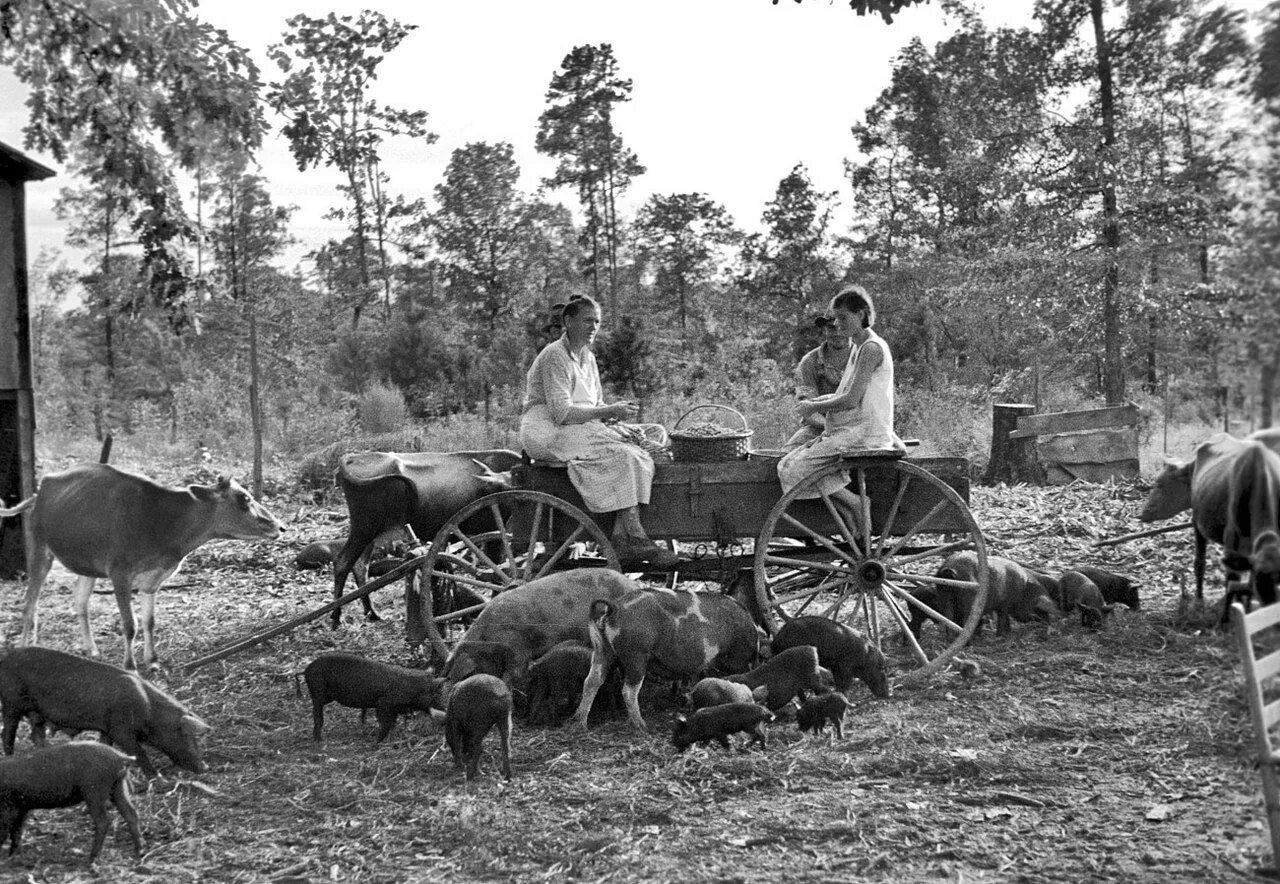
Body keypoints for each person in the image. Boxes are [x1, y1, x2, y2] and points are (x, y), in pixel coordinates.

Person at [520, 295, 679, 568]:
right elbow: (562, 413)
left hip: (581, 426)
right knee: (626, 454)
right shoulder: (554, 356)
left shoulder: (588, 357)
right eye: (587, 320)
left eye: (597, 321)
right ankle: (635, 533)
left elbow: (596, 404)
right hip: (548, 431)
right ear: (568, 322)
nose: (593, 327)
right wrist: (608, 414)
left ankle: (619, 535)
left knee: (646, 440)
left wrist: (617, 420)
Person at [777, 284, 905, 532]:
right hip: (850, 426)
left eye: (844, 318)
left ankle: (856, 503)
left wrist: (814, 405)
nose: (838, 324)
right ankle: (854, 517)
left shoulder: (871, 348)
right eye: (835, 319)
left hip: (864, 432)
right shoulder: (856, 347)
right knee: (787, 463)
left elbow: (850, 400)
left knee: (796, 469)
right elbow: (844, 394)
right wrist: (813, 404)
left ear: (862, 314)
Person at [783, 313, 853, 450]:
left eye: (842, 327)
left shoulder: (865, 356)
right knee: (786, 456)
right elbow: (807, 410)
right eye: (832, 328)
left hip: (858, 425)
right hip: (819, 427)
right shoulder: (810, 362)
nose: (838, 333)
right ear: (824, 330)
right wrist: (830, 427)